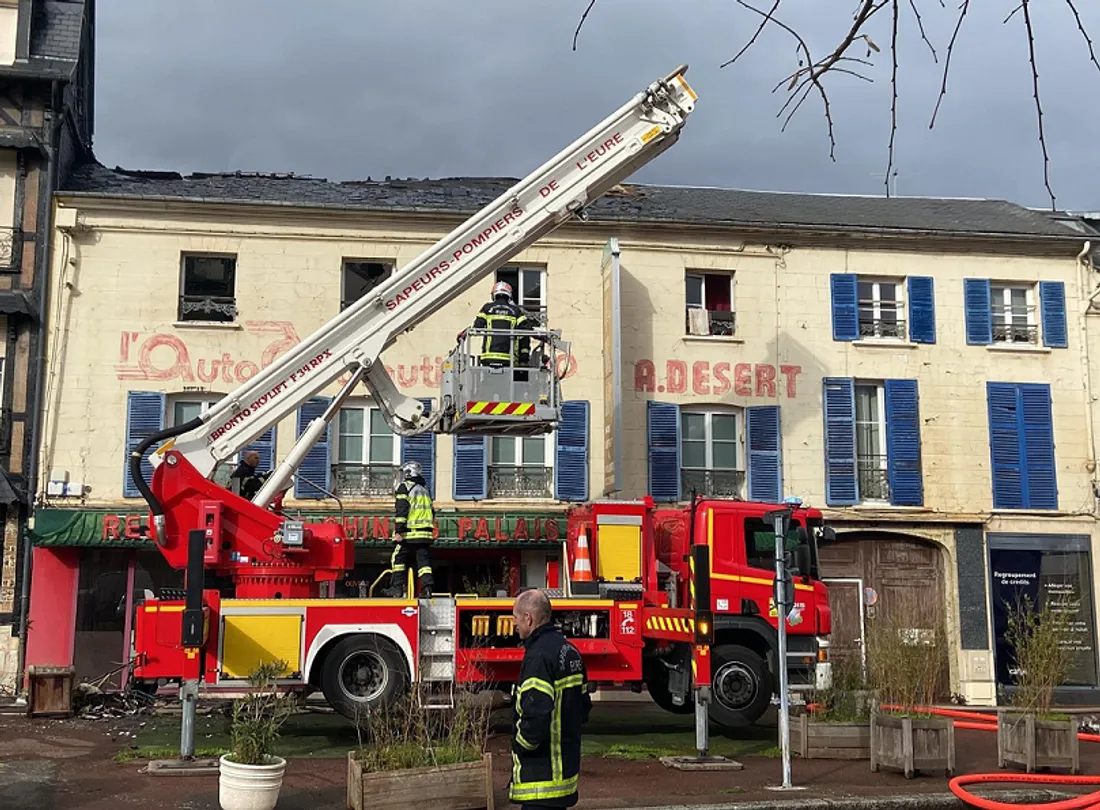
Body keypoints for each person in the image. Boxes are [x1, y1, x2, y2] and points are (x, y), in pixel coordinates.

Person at [509, 589, 591, 810]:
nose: (514, 624)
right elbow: (583, 708)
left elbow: (536, 715)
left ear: (528, 618)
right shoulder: (570, 651)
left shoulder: (538, 656)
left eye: (516, 618)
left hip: (541, 779)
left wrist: (520, 746)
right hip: (564, 775)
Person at [381, 461, 435, 599]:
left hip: (409, 532)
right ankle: (427, 589)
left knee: (398, 558)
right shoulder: (424, 489)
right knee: (423, 562)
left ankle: (396, 588)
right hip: (425, 533)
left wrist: (398, 531)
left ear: (408, 473)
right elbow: (432, 512)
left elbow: (402, 510)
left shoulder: (404, 487)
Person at [464, 280, 534, 371]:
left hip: (488, 357)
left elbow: (477, 327)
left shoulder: (487, 308)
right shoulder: (515, 311)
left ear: (494, 294)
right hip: (508, 358)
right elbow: (526, 329)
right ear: (509, 295)